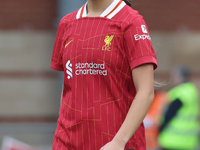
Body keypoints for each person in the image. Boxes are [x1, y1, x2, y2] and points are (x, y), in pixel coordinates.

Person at [50, 0, 157, 149]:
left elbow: (146, 92)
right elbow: (69, 87)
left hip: (115, 144)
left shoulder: (132, 22)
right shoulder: (67, 22)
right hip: (66, 143)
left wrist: (118, 142)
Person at [158, 65, 199, 150]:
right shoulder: (192, 90)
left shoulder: (179, 93)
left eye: (174, 76)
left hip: (172, 139)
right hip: (188, 140)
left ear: (179, 77)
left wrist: (160, 128)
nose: (173, 79)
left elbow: (169, 114)